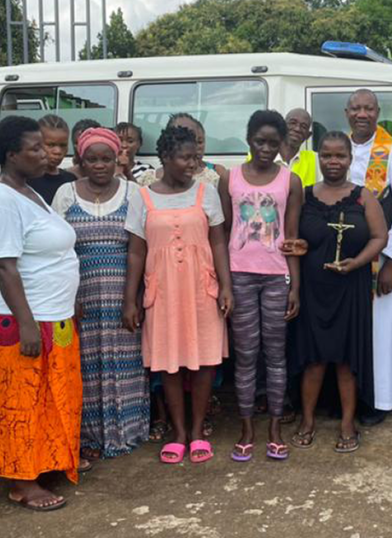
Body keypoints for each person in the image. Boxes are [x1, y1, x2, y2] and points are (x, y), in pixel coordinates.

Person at [0, 116, 84, 511]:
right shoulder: (1, 199)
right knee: (20, 403)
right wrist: (25, 323)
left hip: (52, 314)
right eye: (36, 148)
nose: (46, 154)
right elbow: (5, 267)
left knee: (52, 397)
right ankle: (22, 481)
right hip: (23, 320)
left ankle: (47, 462)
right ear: (12, 155)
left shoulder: (28, 192)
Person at [122, 125, 233, 465]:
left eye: (196, 157)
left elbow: (217, 241)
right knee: (168, 363)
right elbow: (136, 251)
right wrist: (130, 298)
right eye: (185, 157)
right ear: (166, 158)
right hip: (163, 289)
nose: (193, 163)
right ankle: (178, 433)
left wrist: (226, 286)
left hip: (201, 287)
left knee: (203, 361)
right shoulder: (142, 196)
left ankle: (198, 431)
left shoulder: (206, 193)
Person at [52, 127, 149, 460]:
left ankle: (127, 432)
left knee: (126, 364)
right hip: (80, 294)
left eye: (106, 158)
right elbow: (58, 250)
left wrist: (131, 300)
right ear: (81, 159)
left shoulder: (133, 193)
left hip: (122, 291)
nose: (99, 165)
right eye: (91, 159)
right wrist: (68, 296)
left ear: (116, 158)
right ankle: (89, 437)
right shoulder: (66, 193)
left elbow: (138, 248)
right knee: (84, 364)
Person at [288, 131, 388, 453]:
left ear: (350, 159)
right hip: (314, 288)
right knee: (313, 359)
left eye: (340, 156)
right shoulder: (303, 195)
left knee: (346, 359)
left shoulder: (362, 196)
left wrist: (358, 262)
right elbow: (290, 238)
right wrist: (300, 245)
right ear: (318, 157)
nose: (333, 162)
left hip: (351, 287)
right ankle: (307, 420)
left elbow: (379, 236)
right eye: (327, 155)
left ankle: (348, 422)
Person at [220, 110, 303, 462]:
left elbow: (292, 238)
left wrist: (294, 286)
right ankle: (246, 429)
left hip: (275, 276)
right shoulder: (230, 179)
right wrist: (224, 284)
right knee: (246, 355)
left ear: (282, 144)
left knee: (275, 353)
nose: (266, 149)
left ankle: (274, 430)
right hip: (239, 275)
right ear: (248, 139)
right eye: (259, 141)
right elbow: (222, 234)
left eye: (273, 143)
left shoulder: (290, 181)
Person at [345, 89, 392, 425]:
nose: (362, 114)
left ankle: (380, 397)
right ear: (347, 112)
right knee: (353, 329)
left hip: (383, 260)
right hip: (348, 258)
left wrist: (391, 260)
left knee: (382, 331)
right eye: (356, 108)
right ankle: (351, 395)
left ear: (378, 112)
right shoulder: (338, 149)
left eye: (369, 108)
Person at [148, 113, 228, 187]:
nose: (195, 147)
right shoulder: (150, 179)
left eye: (199, 142)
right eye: (184, 141)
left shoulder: (215, 175)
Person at [29, 114, 77, 204]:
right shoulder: (26, 181)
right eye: (51, 145)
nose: (58, 151)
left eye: (63, 145)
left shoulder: (71, 181)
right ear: (37, 144)